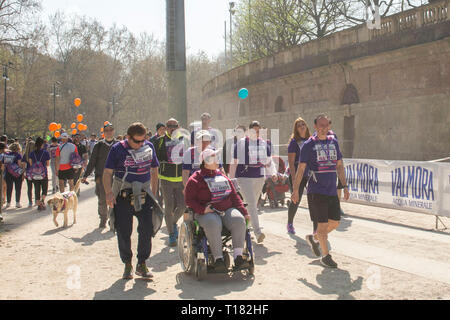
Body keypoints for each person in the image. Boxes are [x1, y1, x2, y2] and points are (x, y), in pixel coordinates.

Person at [103, 122, 161, 280]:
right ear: (128, 137)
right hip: (123, 194)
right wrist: (109, 192)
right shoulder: (117, 149)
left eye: (143, 140)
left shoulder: (148, 146)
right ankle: (127, 263)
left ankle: (141, 263)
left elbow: (155, 169)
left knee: (146, 229)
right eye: (137, 141)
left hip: (143, 193)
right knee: (123, 231)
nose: (140, 144)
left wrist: (153, 192)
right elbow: (107, 172)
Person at [291, 114, 349, 268]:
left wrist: (344, 185)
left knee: (335, 222)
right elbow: (301, 168)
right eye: (320, 125)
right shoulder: (309, 145)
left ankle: (314, 237)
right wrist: (295, 190)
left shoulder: (333, 142)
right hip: (316, 191)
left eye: (326, 125)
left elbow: (339, 165)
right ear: (315, 127)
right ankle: (325, 255)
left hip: (331, 190)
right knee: (322, 225)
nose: (324, 128)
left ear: (329, 126)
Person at [185, 148, 251, 272]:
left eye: (216, 158)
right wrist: (202, 209)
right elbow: (189, 200)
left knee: (238, 220)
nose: (216, 160)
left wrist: (244, 212)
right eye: (212, 158)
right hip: (206, 211)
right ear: (204, 162)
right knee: (213, 222)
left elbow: (234, 196)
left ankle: (238, 257)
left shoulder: (222, 176)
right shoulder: (195, 179)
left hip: (226, 209)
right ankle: (218, 259)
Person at [229, 120, 272, 244]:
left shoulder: (263, 144)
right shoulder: (241, 144)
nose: (256, 133)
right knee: (252, 204)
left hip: (259, 177)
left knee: (251, 205)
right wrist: (232, 180)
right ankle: (258, 232)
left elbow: (268, 161)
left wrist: (272, 173)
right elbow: (234, 162)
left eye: (258, 131)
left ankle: (244, 228)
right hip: (244, 177)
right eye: (254, 131)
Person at [154, 118, 189, 247]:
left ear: (178, 126)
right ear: (166, 127)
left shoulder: (184, 140)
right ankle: (171, 234)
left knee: (182, 205)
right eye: (169, 126)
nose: (172, 128)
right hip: (166, 179)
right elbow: (155, 159)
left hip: (180, 178)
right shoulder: (160, 141)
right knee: (168, 207)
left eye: (174, 125)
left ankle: (173, 222)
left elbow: (189, 156)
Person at [82, 123, 117, 228]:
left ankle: (113, 219)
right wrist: (85, 175)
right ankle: (103, 218)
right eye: (106, 130)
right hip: (100, 177)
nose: (109, 132)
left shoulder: (118, 144)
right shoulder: (99, 145)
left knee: (115, 199)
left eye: (111, 130)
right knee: (102, 199)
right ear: (103, 133)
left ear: (113, 131)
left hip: (116, 178)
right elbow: (92, 161)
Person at [286, 117, 311, 234]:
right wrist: (293, 178)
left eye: (303, 124)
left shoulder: (310, 140)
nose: (302, 126)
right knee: (296, 199)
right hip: (297, 174)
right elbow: (291, 163)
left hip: (310, 174)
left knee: (315, 198)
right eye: (299, 125)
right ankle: (290, 223)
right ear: (296, 128)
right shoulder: (294, 142)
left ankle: (317, 227)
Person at [28, 137, 50, 211]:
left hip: (35, 174)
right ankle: (42, 201)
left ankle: (38, 203)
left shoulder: (32, 153)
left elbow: (30, 164)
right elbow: (47, 164)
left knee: (37, 189)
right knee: (44, 189)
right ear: (42, 144)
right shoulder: (45, 152)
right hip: (43, 174)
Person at [2, 142, 24, 209]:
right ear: (18, 148)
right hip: (17, 173)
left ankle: (8, 203)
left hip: (8, 173)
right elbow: (20, 164)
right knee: (18, 188)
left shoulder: (6, 155)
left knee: (9, 188)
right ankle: (17, 202)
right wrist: (22, 172)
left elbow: (3, 164)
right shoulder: (18, 155)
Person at [150, 122, 166, 206]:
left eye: (164, 129)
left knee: (163, 185)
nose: (163, 131)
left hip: (163, 166)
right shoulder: (152, 140)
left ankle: (161, 200)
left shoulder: (166, 139)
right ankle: (155, 200)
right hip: (154, 165)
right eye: (161, 130)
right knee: (155, 183)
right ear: (157, 130)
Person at [23, 139, 35, 207]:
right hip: (36, 172)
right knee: (37, 186)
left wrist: (24, 173)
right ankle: (37, 200)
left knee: (29, 188)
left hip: (28, 172)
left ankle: (30, 201)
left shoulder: (26, 155)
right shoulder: (35, 153)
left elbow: (23, 164)